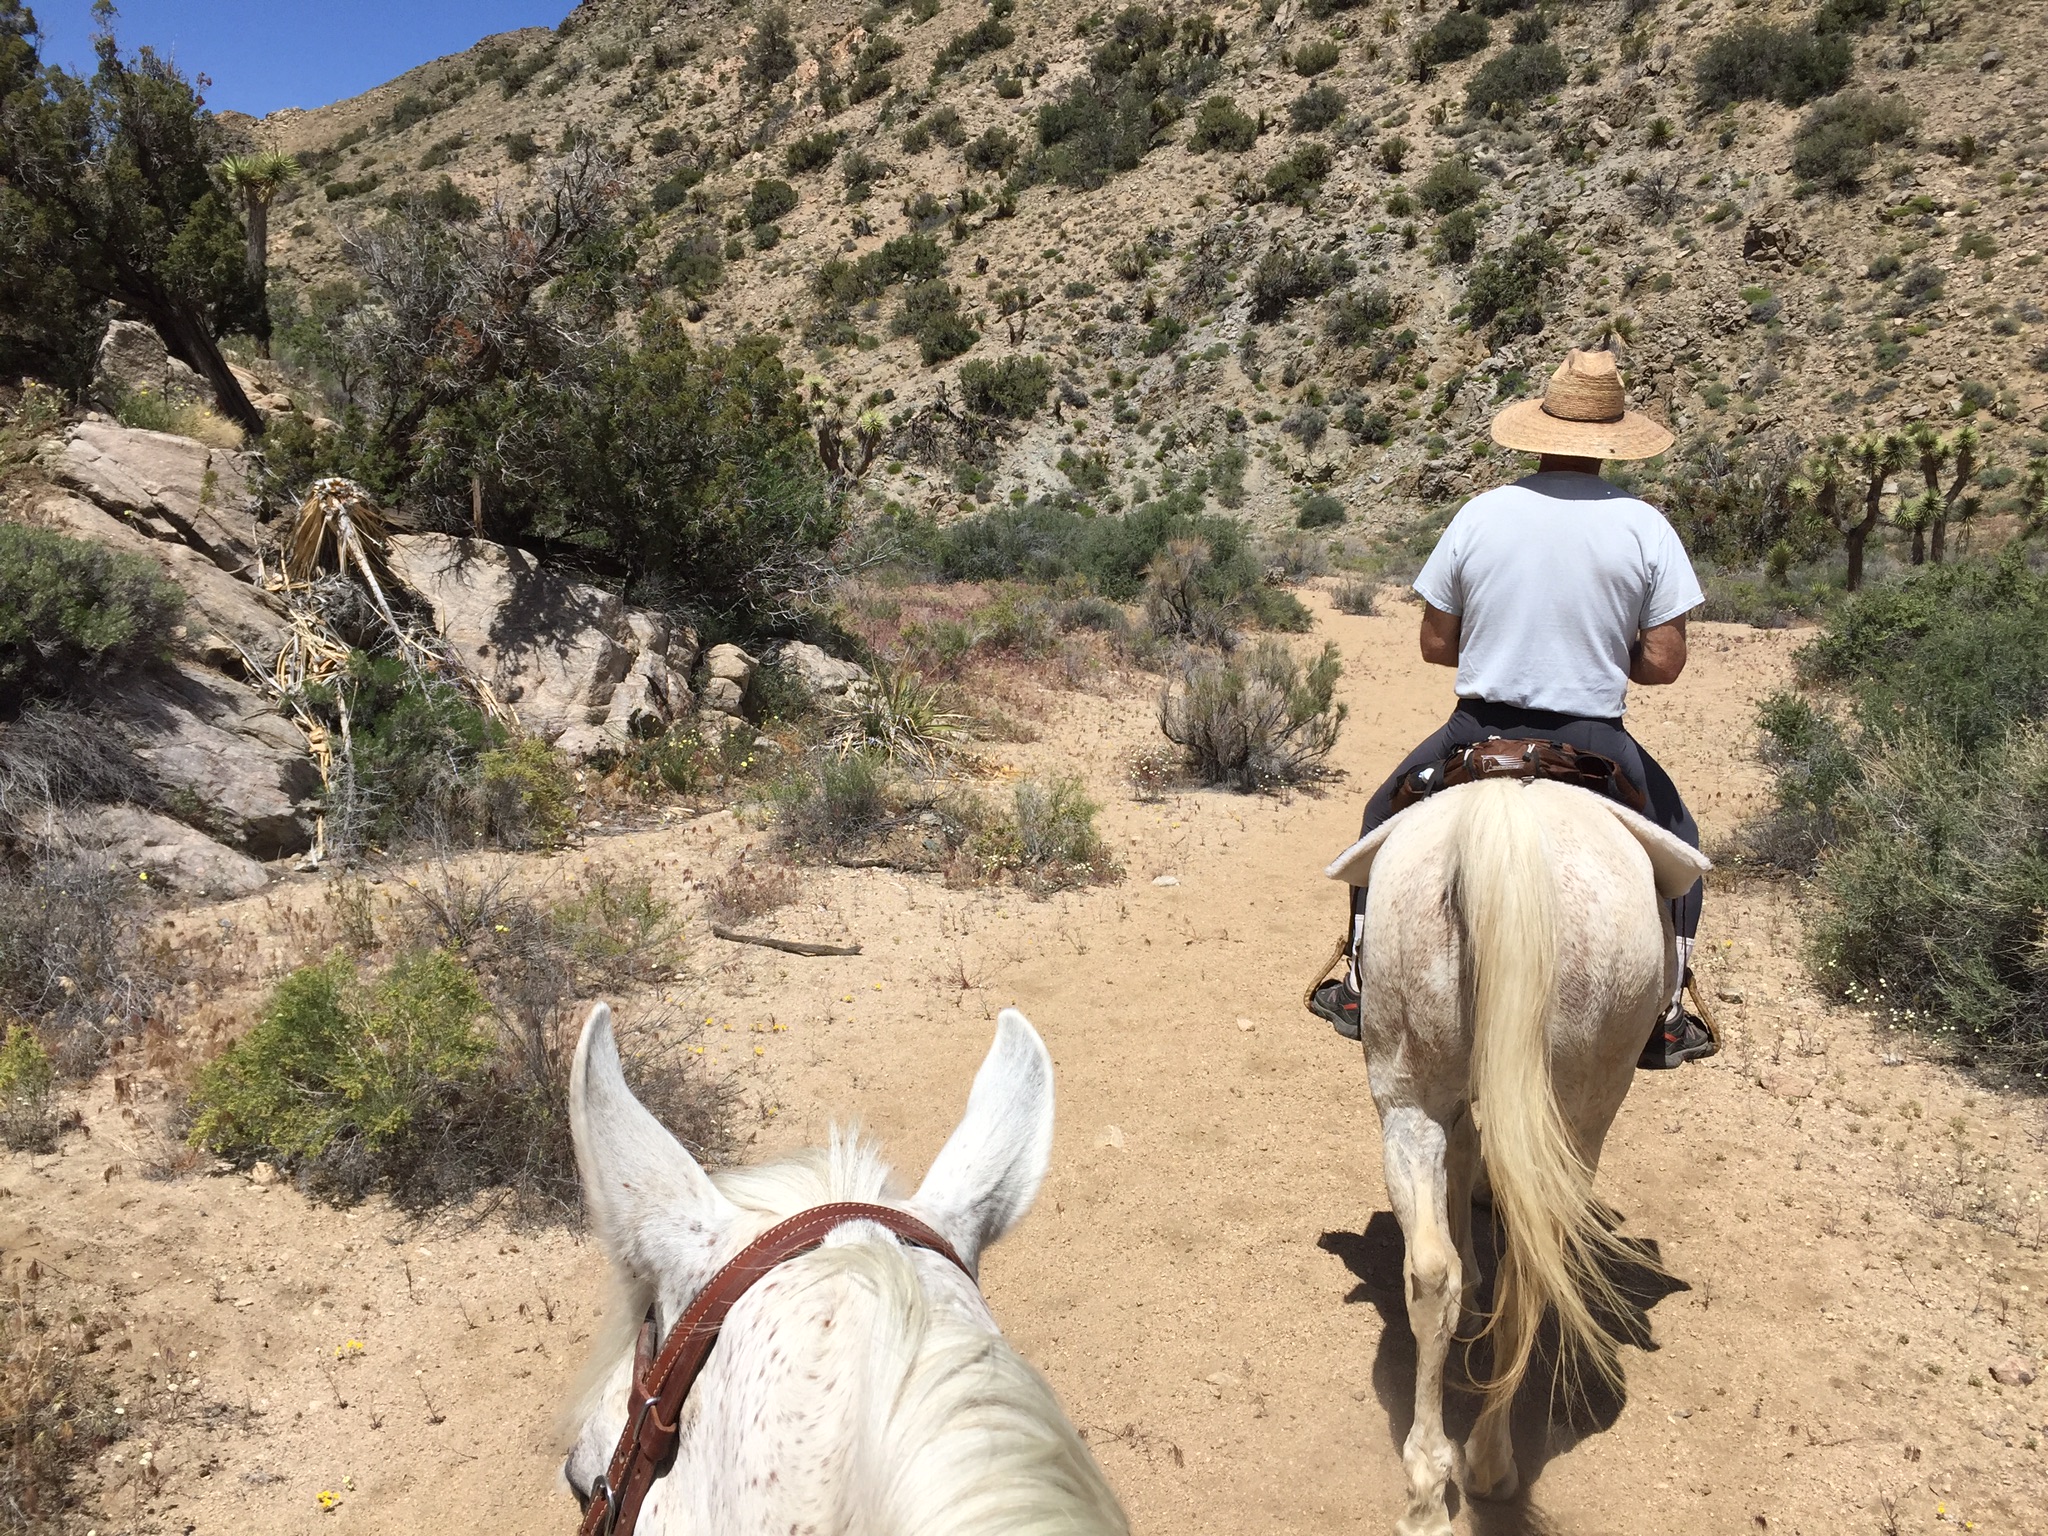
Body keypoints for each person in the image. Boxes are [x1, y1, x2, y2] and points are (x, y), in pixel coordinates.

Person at [1310, 348, 1715, 1070]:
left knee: (1380, 815)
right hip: (1596, 737)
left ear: (1539, 430)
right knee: (1680, 848)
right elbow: (1664, 664)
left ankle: (1359, 981)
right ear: (1613, 440)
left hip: (1478, 727)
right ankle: (1670, 1005)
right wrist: (1591, 647)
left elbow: (1436, 644)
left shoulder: (1480, 513)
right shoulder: (1646, 527)